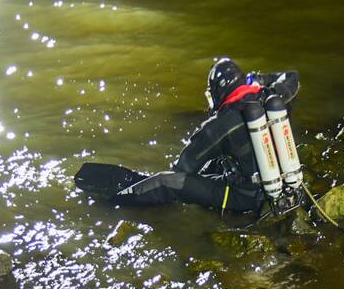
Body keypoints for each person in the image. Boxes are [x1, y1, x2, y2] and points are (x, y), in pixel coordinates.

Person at [109, 57, 300, 213]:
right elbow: (292, 76)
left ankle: (112, 203)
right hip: (289, 185)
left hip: (245, 198)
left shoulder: (219, 125)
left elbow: (183, 169)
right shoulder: (272, 96)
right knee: (214, 163)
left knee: (166, 182)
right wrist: (258, 80)